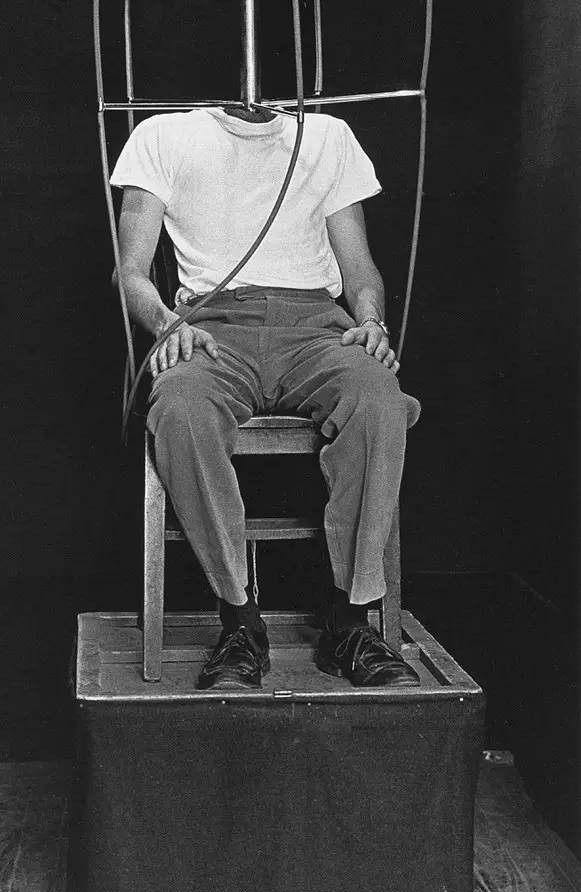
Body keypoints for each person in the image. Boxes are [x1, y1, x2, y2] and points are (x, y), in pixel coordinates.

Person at [110, 103, 421, 690]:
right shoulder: (162, 135)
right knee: (180, 408)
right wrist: (167, 325)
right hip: (212, 325)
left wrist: (372, 322)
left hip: (317, 328)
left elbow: (360, 272)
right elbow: (130, 272)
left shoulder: (328, 135)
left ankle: (350, 620)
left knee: (379, 397)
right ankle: (239, 620)